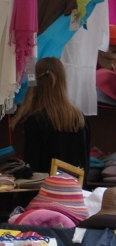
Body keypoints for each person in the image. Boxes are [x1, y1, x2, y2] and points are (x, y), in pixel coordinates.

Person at [12, 57, 90, 185]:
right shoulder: (80, 119)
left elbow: (33, 167)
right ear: (63, 82)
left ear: (35, 84)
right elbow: (85, 164)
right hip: (75, 193)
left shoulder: (35, 120)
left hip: (45, 194)